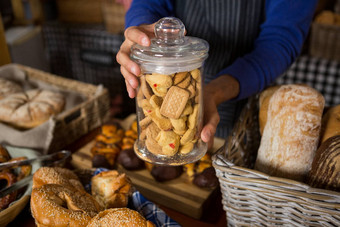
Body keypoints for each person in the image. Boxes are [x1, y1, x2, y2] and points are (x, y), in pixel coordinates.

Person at [116, 0, 319, 148]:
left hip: (246, 97)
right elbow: (149, 4)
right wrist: (142, 33)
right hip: (169, 81)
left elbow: (280, 41)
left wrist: (214, 92)